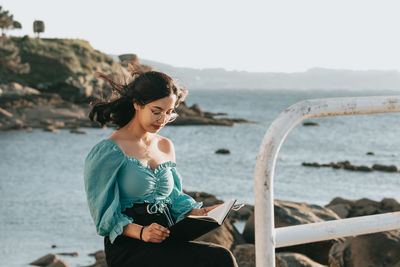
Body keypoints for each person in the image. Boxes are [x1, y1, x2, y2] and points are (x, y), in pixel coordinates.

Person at [84, 70, 238, 267]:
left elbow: (173, 197)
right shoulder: (108, 151)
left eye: (169, 112)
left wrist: (201, 213)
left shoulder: (165, 146)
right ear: (137, 104)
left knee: (220, 257)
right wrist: (141, 232)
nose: (162, 119)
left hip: (166, 238)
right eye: (156, 111)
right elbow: (103, 216)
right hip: (131, 246)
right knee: (218, 259)